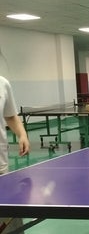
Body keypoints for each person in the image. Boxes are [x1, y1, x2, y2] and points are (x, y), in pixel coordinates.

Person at [0, 76, 30, 233]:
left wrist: (22, 134)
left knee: (12, 227)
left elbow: (10, 115)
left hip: (1, 168)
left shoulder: (2, 83)